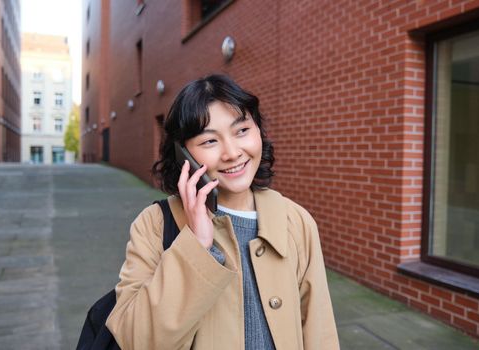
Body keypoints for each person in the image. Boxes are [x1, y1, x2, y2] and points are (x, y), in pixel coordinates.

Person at [106, 74, 339, 349]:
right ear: (183, 155)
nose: (232, 152)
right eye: (209, 141)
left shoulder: (295, 220)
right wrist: (196, 246)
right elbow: (136, 340)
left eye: (242, 131)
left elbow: (319, 331)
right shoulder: (154, 225)